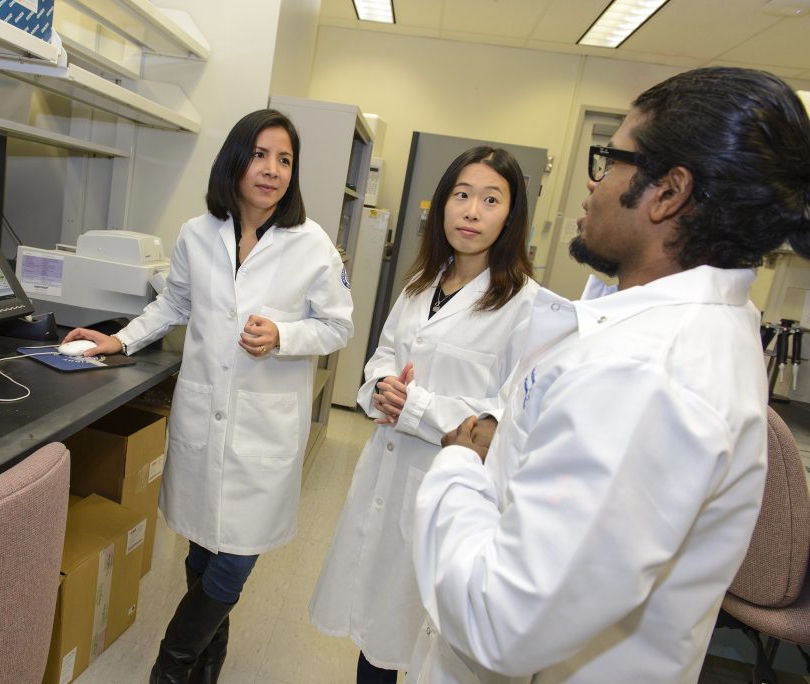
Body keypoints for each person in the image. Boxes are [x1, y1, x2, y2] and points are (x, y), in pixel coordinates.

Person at [409, 66, 810, 684]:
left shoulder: (649, 374)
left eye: (611, 160)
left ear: (668, 192)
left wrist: (462, 464)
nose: (593, 185)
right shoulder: (687, 327)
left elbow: (501, 620)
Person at [62, 108, 354, 684]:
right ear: (235, 161)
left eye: (285, 160)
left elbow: (339, 326)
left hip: (264, 430)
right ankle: (207, 665)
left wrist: (285, 335)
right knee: (200, 554)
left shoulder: (314, 244)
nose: (272, 170)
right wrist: (117, 340)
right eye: (260, 155)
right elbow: (172, 306)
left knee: (235, 561)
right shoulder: (198, 234)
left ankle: (170, 668)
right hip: (203, 416)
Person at [310, 147, 540, 683]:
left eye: (490, 199)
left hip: (451, 492)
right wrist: (380, 388)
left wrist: (416, 407)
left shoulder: (524, 304)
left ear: (511, 217)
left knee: (424, 638)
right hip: (388, 470)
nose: (472, 211)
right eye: (462, 195)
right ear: (442, 205)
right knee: (375, 631)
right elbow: (384, 354)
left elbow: (506, 417)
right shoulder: (422, 282)